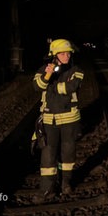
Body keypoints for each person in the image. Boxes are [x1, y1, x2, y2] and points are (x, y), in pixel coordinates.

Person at [32, 39, 83, 201]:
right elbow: (37, 87)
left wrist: (51, 87)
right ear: (54, 56)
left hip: (70, 120)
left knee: (68, 153)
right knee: (48, 154)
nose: (66, 55)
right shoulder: (43, 70)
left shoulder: (77, 70)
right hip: (49, 120)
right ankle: (47, 190)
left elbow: (70, 87)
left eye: (68, 53)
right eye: (62, 53)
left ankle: (66, 184)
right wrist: (48, 74)